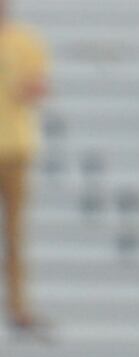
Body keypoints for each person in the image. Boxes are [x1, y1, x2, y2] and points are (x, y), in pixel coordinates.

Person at [0, 1, 43, 333]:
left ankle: (17, 304)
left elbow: (38, 87)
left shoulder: (26, 42)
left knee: (15, 234)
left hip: (15, 149)